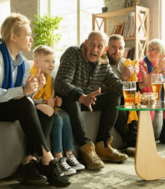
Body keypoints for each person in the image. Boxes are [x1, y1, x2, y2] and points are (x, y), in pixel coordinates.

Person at [0, 13, 70, 187]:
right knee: (25, 103)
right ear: (14, 37)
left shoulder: (23, 62)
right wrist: (24, 91)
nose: (32, 39)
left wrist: (33, 89)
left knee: (48, 111)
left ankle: (29, 163)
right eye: (28, 35)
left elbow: (24, 98)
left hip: (10, 105)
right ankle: (48, 160)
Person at [54, 30, 129, 170]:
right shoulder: (73, 53)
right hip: (69, 100)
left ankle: (103, 144)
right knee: (72, 97)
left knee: (114, 96)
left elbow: (117, 86)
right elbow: (60, 83)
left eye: (99, 46)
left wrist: (141, 86)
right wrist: (81, 97)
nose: (95, 49)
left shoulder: (104, 64)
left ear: (104, 49)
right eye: (92, 44)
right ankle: (86, 148)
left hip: (88, 101)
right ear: (85, 43)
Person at [30, 45, 85, 176]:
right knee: (58, 117)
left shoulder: (51, 78)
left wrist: (56, 101)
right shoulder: (32, 75)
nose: (51, 65)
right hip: (34, 108)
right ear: (37, 63)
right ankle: (58, 157)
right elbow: (29, 98)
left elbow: (52, 96)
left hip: (48, 107)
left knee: (65, 115)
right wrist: (43, 102)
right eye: (47, 61)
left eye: (53, 61)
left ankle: (69, 154)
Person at [106, 34, 139, 149]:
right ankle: (130, 139)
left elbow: (134, 86)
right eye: (113, 47)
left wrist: (137, 77)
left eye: (120, 48)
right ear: (107, 48)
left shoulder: (126, 63)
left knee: (137, 97)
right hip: (107, 96)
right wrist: (124, 77)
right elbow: (104, 88)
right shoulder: (103, 63)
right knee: (117, 100)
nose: (117, 51)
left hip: (125, 96)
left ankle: (135, 136)